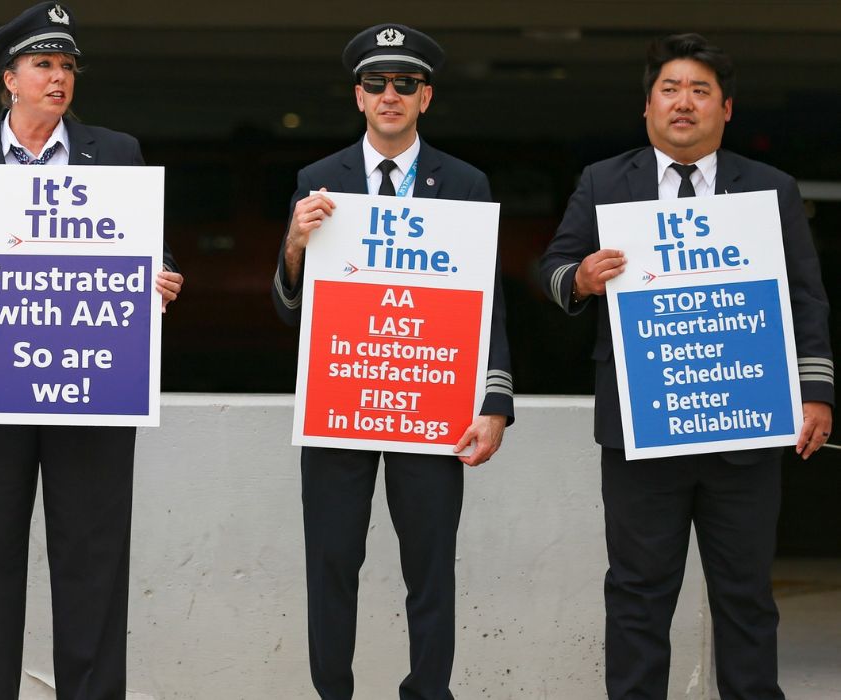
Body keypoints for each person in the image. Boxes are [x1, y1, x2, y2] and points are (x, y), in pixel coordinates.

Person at [0, 4, 182, 698]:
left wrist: (161, 276)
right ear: (10, 78)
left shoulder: (115, 151)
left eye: (67, 67)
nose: (59, 79)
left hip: (92, 384)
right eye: (45, 66)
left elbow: (150, 250)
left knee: (93, 560)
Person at [538, 33, 833, 699]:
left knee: (746, 596)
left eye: (700, 91)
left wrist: (815, 393)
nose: (683, 103)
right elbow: (552, 270)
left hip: (745, 427)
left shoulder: (770, 189)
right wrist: (581, 278)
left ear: (726, 110)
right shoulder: (604, 181)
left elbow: (805, 297)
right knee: (639, 597)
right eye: (670, 89)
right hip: (642, 431)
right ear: (646, 107)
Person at [270, 23, 513, 700]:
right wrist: (293, 242)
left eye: (405, 84)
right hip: (341, 401)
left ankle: (429, 693)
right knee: (332, 562)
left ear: (425, 97)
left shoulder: (463, 184)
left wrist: (493, 403)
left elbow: (488, 302)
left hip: (431, 404)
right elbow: (288, 306)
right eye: (376, 83)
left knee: (431, 565)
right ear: (358, 96)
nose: (390, 95)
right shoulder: (319, 180)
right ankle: (332, 693)